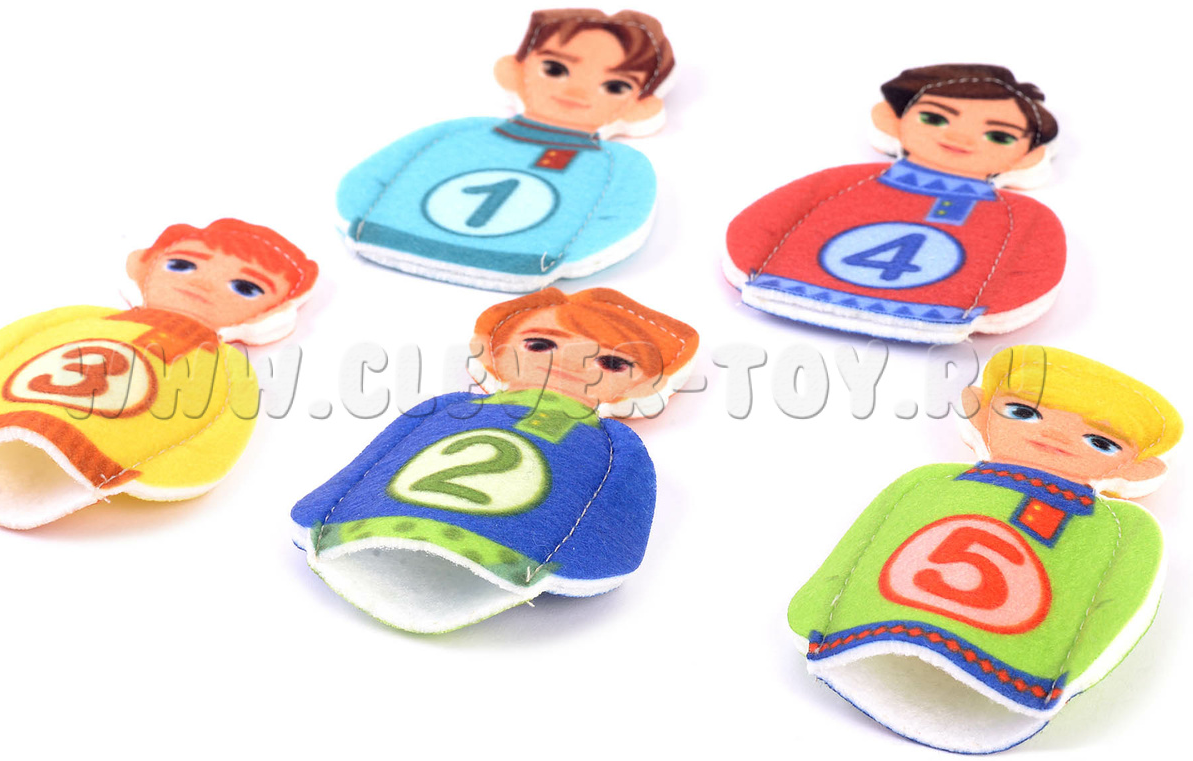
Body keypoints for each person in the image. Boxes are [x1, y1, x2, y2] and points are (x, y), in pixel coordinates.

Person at [787, 346, 1183, 753]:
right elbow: (857, 550)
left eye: (1100, 442)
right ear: (976, 410)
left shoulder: (1122, 529)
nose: (1054, 435)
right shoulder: (931, 483)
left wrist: (1066, 676)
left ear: (1141, 469)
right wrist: (815, 618)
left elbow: (1115, 604)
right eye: (1023, 413)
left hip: (1014, 677)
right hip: (864, 636)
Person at [291, 287, 698, 633]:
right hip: (374, 524)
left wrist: (580, 560)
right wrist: (324, 511)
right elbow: (378, 459)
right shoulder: (451, 407)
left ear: (645, 383)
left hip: (512, 553)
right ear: (495, 351)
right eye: (539, 345)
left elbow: (618, 505)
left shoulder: (613, 444)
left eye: (612, 363)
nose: (567, 365)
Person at [0, 219, 318, 529]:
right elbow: (2, 349)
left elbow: (225, 422)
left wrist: (159, 470)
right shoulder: (80, 318)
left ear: (272, 313)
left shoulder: (227, 367)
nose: (202, 284)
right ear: (143, 264)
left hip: (104, 461)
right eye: (181, 265)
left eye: (246, 288)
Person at [336, 9, 675, 292]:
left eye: (615, 86)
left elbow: (619, 217)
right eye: (554, 69)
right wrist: (361, 219)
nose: (576, 91)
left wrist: (557, 256)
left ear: (641, 106)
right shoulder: (458, 133)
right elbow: (376, 175)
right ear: (513, 71)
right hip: (392, 235)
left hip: (520, 260)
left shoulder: (619, 165)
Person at [726, 64, 1065, 343]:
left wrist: (983, 308)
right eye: (934, 118)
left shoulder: (1022, 216)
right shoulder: (842, 183)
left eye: (999, 137)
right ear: (891, 121)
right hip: (790, 288)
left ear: (1029, 157)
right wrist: (755, 265)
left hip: (942, 317)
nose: (959, 138)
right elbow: (768, 222)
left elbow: (1033, 267)